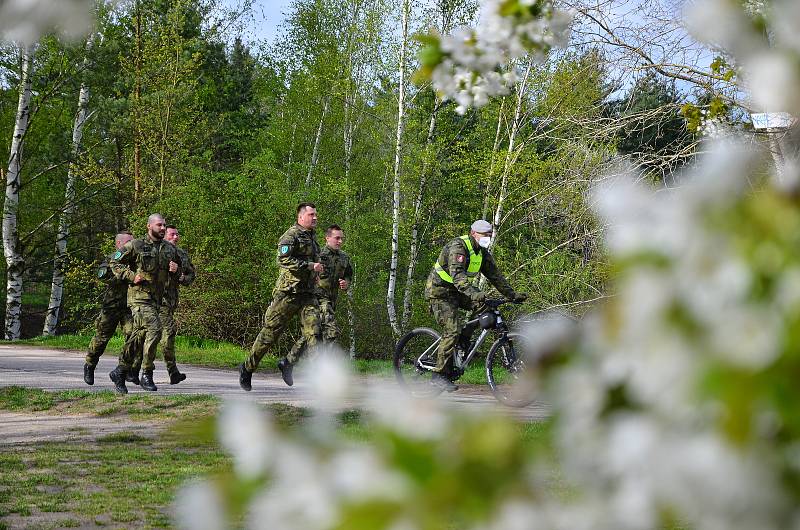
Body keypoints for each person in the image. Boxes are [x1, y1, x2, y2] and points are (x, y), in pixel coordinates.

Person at [425, 219, 527, 392]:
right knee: (452, 330)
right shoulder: (458, 247)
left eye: (489, 235)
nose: (487, 238)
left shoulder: (482, 253)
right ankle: (438, 376)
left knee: (486, 310)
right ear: (473, 233)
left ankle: (463, 342)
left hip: (460, 292)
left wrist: (512, 295)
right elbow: (457, 277)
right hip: (440, 293)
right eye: (484, 235)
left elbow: (496, 277)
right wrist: (475, 294)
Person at [239, 202, 323, 390]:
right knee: (270, 335)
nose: (315, 218)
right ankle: (247, 368)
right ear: (301, 217)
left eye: (316, 215)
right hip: (287, 294)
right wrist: (309, 266)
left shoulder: (313, 238)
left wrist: (316, 274)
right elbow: (283, 259)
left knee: (314, 334)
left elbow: (314, 262)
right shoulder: (290, 235)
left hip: (307, 295)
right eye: (311, 215)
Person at [107, 213, 181, 394]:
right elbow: (114, 262)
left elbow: (180, 274)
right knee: (155, 330)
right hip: (138, 298)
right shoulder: (136, 245)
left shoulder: (169, 250)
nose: (163, 228)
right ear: (149, 226)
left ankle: (120, 370)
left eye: (164, 225)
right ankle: (147, 373)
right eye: (159, 225)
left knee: (139, 335)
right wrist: (132, 276)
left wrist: (176, 271)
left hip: (156, 300)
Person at [127, 224, 195, 385]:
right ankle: (168, 371)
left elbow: (190, 275)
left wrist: (179, 274)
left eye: (177, 234)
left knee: (146, 334)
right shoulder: (151, 250)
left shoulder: (180, 254)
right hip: (153, 299)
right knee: (166, 332)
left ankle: (132, 369)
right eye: (172, 234)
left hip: (169, 302)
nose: (175, 237)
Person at [287, 224, 353, 359]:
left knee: (313, 333)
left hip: (332, 301)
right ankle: (326, 367)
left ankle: (288, 361)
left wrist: (346, 284)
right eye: (337, 238)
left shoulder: (344, 258)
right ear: (327, 238)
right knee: (332, 331)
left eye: (342, 239)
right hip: (317, 299)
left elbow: (349, 275)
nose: (340, 241)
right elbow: (304, 270)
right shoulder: (319, 256)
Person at [82, 231, 135, 385]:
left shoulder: (135, 260)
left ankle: (124, 369)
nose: (131, 245)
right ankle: (90, 365)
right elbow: (103, 276)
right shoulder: (111, 259)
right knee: (101, 338)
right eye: (128, 242)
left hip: (129, 307)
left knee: (132, 336)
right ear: (119, 244)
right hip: (111, 306)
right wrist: (125, 274)